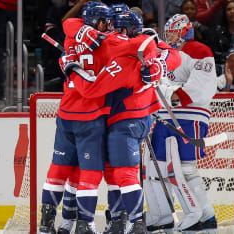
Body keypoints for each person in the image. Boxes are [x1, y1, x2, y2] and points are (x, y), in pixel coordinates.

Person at [62, 10, 181, 233]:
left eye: (113, 25)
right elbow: (70, 23)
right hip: (126, 117)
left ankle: (134, 222)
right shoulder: (144, 40)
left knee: (122, 172)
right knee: (114, 171)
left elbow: (91, 89)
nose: (109, 28)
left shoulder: (123, 46)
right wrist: (160, 64)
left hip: (126, 118)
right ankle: (118, 220)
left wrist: (71, 67)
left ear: (123, 28)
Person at [146, 14, 218, 233]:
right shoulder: (167, 54)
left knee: (184, 168)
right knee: (155, 167)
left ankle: (205, 217)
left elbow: (201, 86)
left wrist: (171, 94)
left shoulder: (198, 49)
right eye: (168, 33)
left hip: (189, 115)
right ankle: (162, 216)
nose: (171, 37)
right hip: (164, 115)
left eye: (175, 32)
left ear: (186, 31)